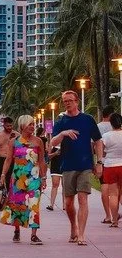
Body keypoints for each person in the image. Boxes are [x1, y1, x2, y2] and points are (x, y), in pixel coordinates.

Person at [51, 90, 103, 246]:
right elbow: (53, 142)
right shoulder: (61, 121)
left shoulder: (87, 119)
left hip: (85, 165)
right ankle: (73, 225)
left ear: (77, 101)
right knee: (68, 202)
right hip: (67, 165)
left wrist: (99, 162)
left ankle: (81, 234)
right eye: (65, 101)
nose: (67, 103)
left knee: (82, 199)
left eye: (70, 100)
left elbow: (98, 141)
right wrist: (63, 133)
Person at [0, 115, 47, 245]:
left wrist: (43, 177)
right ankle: (17, 230)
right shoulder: (14, 142)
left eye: (33, 124)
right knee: (17, 205)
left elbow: (42, 160)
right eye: (29, 124)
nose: (32, 126)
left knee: (34, 205)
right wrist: (3, 174)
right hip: (18, 178)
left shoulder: (38, 141)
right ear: (22, 126)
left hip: (34, 178)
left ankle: (34, 235)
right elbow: (8, 160)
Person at [101, 112, 122, 227]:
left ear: (111, 123)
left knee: (113, 194)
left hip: (110, 166)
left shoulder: (106, 136)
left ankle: (114, 221)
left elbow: (102, 153)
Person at [0, 117, 18, 194]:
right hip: (1, 160)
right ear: (3, 125)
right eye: (8, 126)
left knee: (12, 183)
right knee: (0, 184)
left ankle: (10, 197)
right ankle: (1, 198)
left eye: (11, 125)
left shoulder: (17, 135)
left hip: (13, 160)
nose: (10, 127)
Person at [98, 105, 114, 224]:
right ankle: (115, 213)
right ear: (111, 115)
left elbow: (93, 144)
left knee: (104, 186)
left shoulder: (97, 126)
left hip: (103, 161)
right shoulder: (116, 127)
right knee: (117, 189)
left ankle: (108, 215)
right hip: (117, 161)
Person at [46, 139, 63, 212]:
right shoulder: (52, 142)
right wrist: (55, 153)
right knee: (55, 185)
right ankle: (51, 205)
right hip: (55, 166)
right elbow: (48, 157)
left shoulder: (68, 141)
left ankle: (65, 205)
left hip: (65, 166)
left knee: (65, 186)